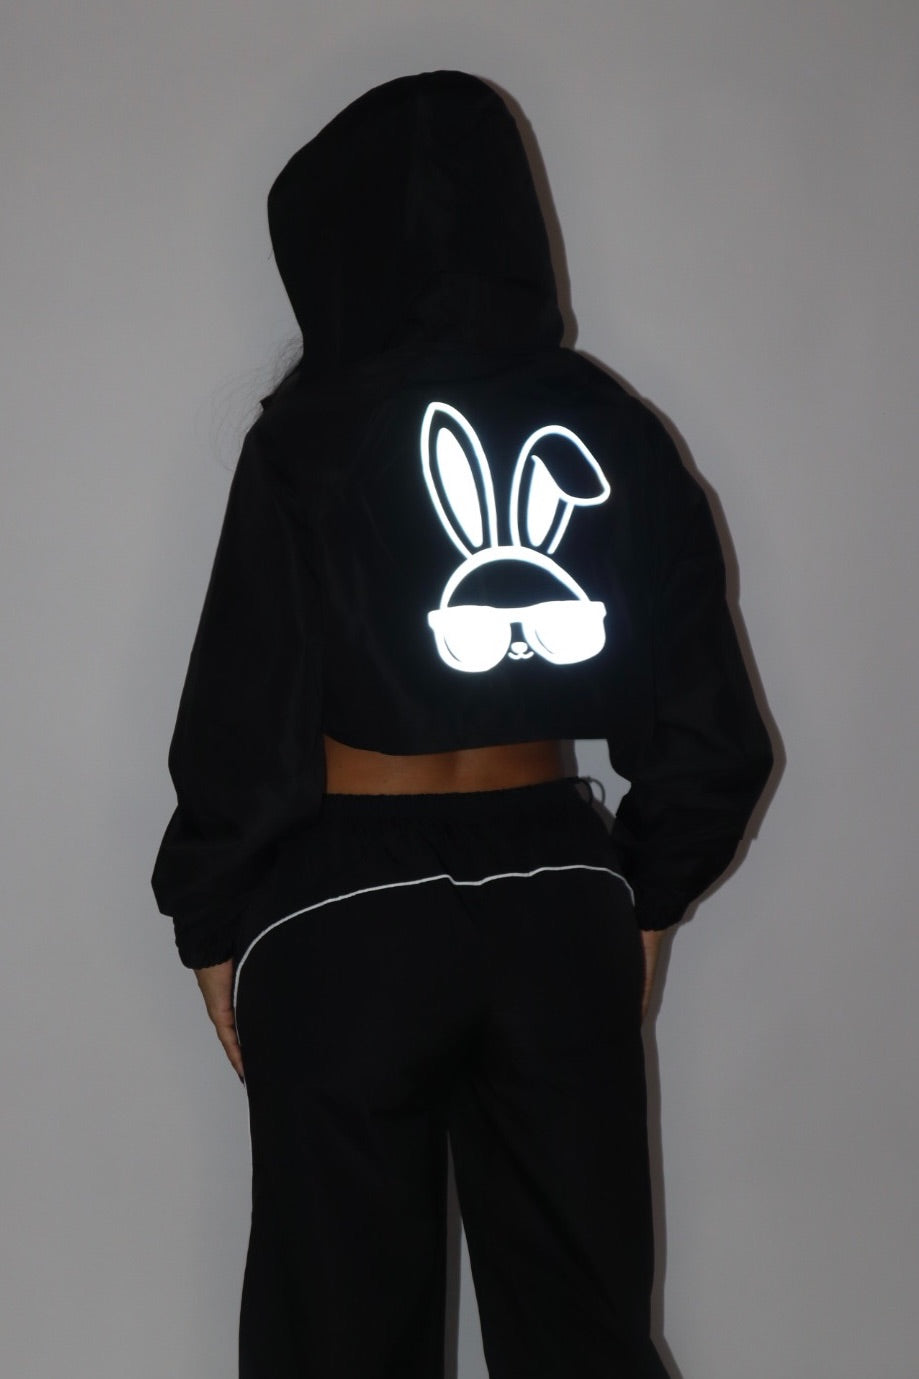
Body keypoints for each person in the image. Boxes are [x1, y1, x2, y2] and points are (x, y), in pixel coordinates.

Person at [152, 71, 772, 1379]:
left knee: (338, 1338)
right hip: (557, 897)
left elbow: (246, 704)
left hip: (347, 910)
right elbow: (708, 720)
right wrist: (646, 895)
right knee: (585, 1331)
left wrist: (209, 915)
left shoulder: (306, 437)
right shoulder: (611, 425)